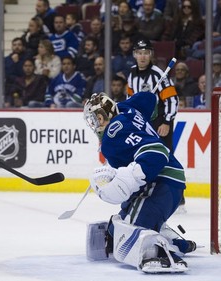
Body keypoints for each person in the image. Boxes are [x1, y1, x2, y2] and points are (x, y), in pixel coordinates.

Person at [83, 92, 196, 273]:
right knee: (117, 227)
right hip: (164, 182)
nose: (93, 125)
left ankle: (159, 252)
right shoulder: (128, 109)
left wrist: (130, 177)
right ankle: (170, 240)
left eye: (93, 120)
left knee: (129, 237)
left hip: (161, 182)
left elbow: (157, 151)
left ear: (100, 117)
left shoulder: (112, 136)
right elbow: (149, 98)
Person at [127, 38, 178, 152]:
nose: (142, 57)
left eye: (146, 53)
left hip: (159, 123)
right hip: (140, 124)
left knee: (163, 155)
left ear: (151, 55)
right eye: (139, 53)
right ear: (135, 55)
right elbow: (130, 99)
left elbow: (172, 99)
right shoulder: (131, 73)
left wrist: (167, 122)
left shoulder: (158, 74)